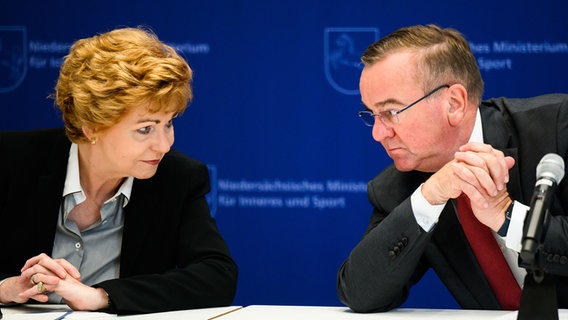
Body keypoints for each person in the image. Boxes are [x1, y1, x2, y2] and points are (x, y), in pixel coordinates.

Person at [0, 27, 238, 314]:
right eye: (145, 129)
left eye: (169, 123)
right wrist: (5, 288)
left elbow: (217, 277)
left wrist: (100, 296)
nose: (163, 145)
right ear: (91, 126)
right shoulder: (11, 161)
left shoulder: (178, 178)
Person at [337, 24, 568, 313]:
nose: (378, 133)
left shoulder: (557, 127)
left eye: (391, 112)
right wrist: (429, 197)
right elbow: (360, 294)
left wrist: (507, 216)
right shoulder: (398, 188)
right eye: (372, 114)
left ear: (454, 103)